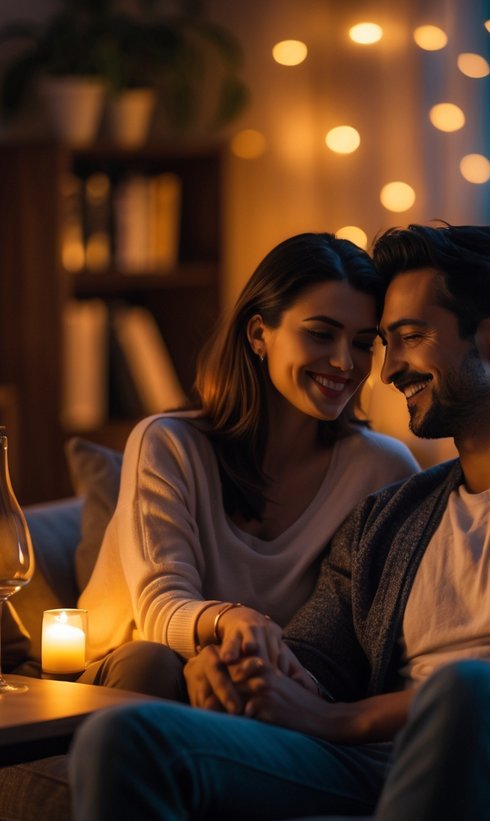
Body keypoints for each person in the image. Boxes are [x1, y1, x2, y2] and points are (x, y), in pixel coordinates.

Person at [69, 224, 490, 821]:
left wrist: (340, 722)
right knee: (129, 737)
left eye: (408, 337)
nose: (387, 368)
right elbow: (315, 657)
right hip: (371, 765)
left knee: (467, 696)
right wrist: (245, 674)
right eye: (388, 342)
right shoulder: (393, 510)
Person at [75, 231, 419, 701]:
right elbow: (158, 608)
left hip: (263, 691)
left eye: (362, 343)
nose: (344, 362)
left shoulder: (381, 469)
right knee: (150, 663)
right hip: (129, 675)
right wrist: (234, 620)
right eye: (321, 333)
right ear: (259, 333)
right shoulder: (168, 443)